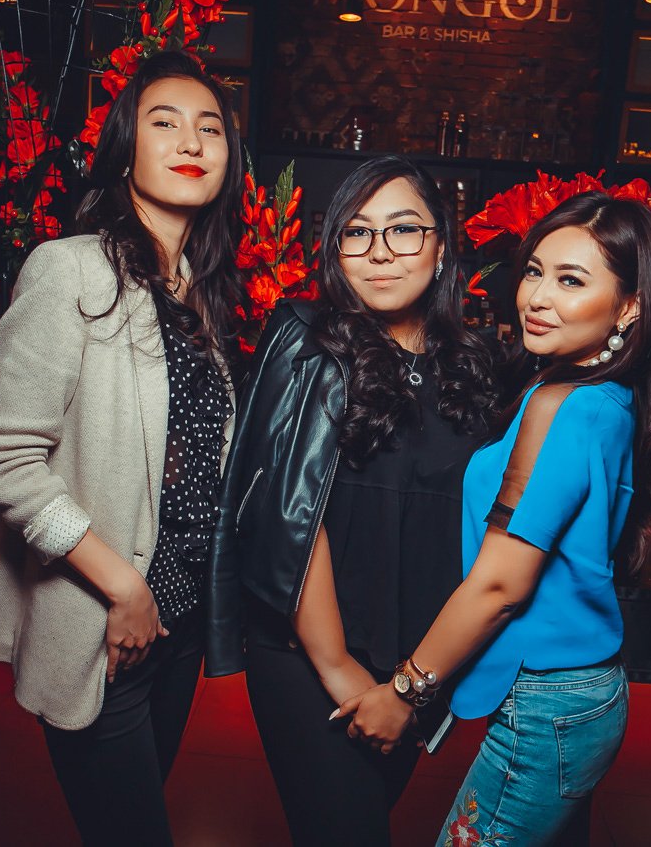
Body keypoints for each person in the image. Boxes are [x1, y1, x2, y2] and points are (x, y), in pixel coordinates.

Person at [335, 191, 651, 846]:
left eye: (571, 280)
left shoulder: (563, 406)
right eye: (534, 271)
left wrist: (403, 691)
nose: (537, 297)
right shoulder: (604, 396)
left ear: (630, 306)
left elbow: (501, 584)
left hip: (547, 705)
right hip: (581, 694)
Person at [0, 51, 245, 847]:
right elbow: (1, 462)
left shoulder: (198, 292)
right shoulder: (69, 271)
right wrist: (123, 585)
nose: (191, 140)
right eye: (165, 122)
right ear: (124, 150)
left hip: (177, 621)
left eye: (210, 128)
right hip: (102, 618)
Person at [207, 155, 498, 846]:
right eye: (358, 232)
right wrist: (339, 668)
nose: (380, 252)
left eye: (404, 229)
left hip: (417, 664)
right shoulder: (305, 341)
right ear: (335, 250)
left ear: (440, 246)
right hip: (309, 653)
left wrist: (413, 686)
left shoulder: (477, 363)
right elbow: (289, 509)